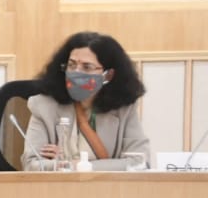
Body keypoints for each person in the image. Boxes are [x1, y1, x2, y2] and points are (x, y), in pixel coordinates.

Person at [21, 31, 150, 171]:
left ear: (108, 75)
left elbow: (140, 162)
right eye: (71, 65)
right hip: (59, 185)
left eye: (87, 67)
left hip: (108, 185)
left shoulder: (124, 109)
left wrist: (74, 165)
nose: (76, 72)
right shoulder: (43, 106)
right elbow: (31, 164)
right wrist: (67, 165)